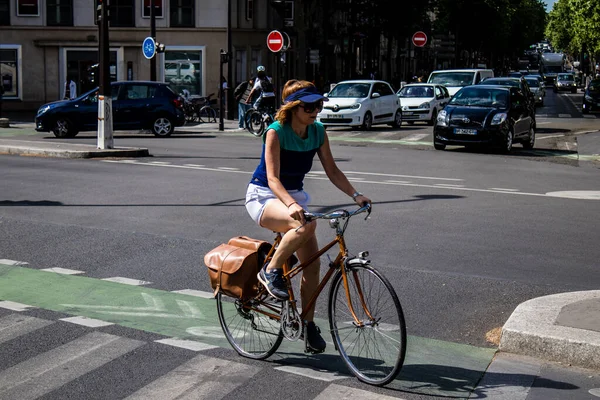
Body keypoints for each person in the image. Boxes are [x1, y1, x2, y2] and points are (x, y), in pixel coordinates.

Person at [245, 79, 371, 353]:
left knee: (312, 267)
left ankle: (307, 324)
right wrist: (291, 205)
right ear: (293, 108)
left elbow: (333, 171)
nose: (316, 110)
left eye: (319, 105)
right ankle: (270, 271)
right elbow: (272, 178)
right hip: (265, 195)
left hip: (294, 198)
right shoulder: (275, 132)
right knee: (305, 226)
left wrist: (355, 194)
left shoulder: (318, 132)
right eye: (309, 106)